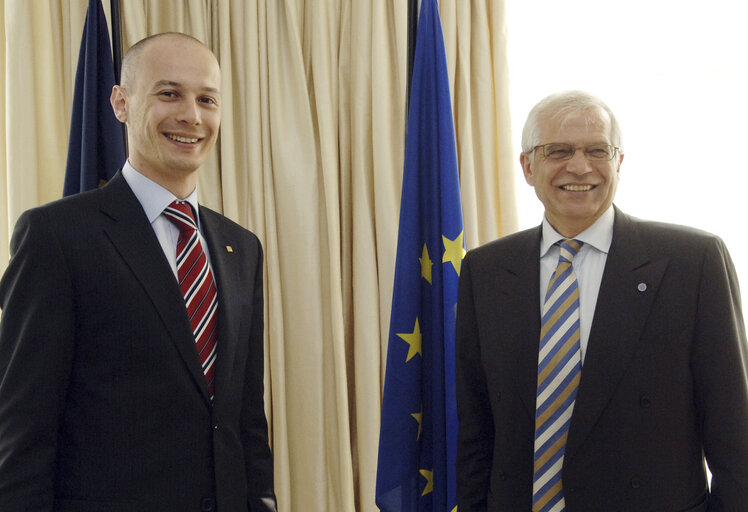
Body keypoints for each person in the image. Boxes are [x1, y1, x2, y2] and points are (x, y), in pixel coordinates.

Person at [0, 33, 276, 511]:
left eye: (206, 99)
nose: (191, 115)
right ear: (121, 103)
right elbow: (22, 428)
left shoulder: (241, 249)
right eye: (169, 93)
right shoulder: (57, 236)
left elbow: (244, 421)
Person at [455, 90, 748, 511]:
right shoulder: (486, 270)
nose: (580, 166)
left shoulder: (692, 262)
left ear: (619, 162)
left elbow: (733, 429)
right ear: (528, 166)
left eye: (597, 150)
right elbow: (476, 431)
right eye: (559, 150)